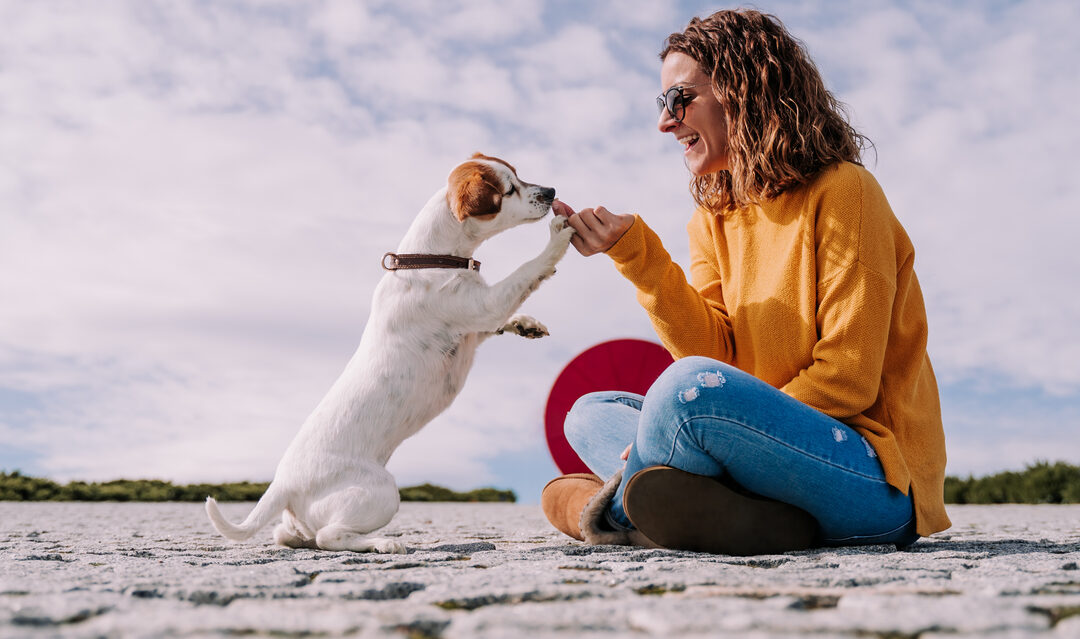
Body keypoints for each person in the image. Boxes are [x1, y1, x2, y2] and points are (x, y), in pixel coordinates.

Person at [541, 9, 950, 555]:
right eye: (662, 104)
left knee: (683, 397)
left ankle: (601, 511)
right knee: (589, 414)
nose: (665, 122)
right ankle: (746, 515)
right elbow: (715, 354)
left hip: (872, 478)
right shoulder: (712, 218)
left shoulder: (846, 192)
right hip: (764, 463)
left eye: (678, 99)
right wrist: (632, 253)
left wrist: (726, 433)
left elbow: (848, 379)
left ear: (744, 89)